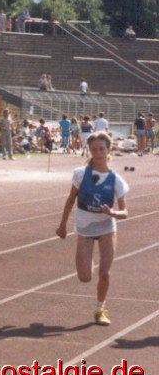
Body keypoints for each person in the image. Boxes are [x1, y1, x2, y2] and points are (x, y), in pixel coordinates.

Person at [56, 133, 129, 326]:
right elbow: (71, 200)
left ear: (109, 150)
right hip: (85, 227)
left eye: (102, 149)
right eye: (94, 149)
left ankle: (100, 309)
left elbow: (125, 212)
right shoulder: (80, 174)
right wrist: (62, 225)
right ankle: (88, 260)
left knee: (104, 273)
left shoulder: (116, 180)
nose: (98, 153)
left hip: (106, 227)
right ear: (89, 151)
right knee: (85, 277)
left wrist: (113, 212)